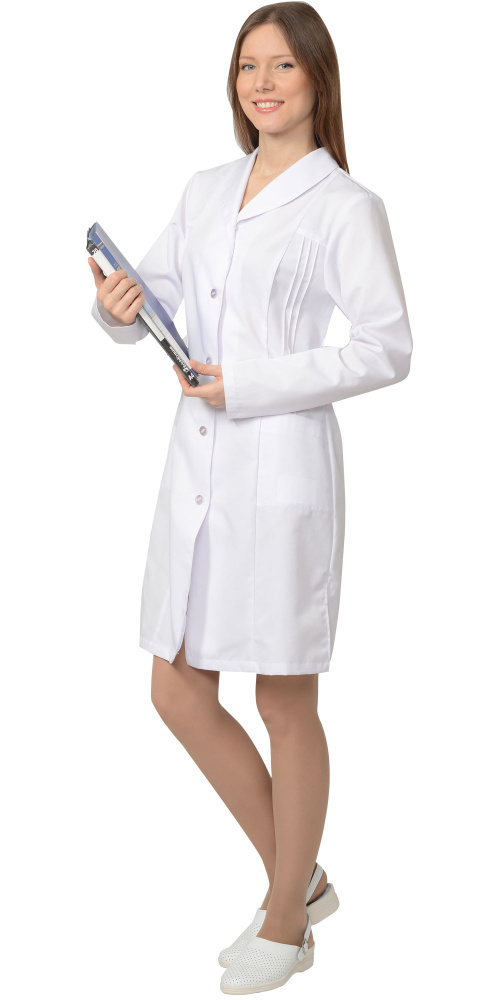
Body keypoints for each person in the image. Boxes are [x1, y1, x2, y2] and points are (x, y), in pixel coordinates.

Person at [88, 3, 412, 993]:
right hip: (197, 464)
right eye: (246, 67)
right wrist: (118, 307)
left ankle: (285, 919)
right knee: (175, 685)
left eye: (281, 66)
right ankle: (299, 875)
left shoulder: (345, 205)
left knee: (282, 695)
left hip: (281, 467)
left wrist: (253, 383)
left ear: (317, 78)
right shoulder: (205, 189)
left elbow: (386, 347)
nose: (261, 84)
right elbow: (155, 299)